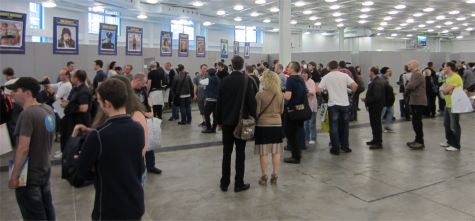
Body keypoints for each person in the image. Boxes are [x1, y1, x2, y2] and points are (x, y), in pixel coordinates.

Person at [71, 78, 145, 220]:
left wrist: (79, 157)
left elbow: (79, 175)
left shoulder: (98, 135)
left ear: (106, 103)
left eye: (99, 101)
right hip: (135, 203)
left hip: (109, 208)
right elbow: (136, 164)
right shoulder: (138, 128)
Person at [6, 77, 56, 220]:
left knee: (34, 214)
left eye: (16, 90)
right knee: (47, 209)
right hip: (44, 169)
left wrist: (14, 176)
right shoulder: (48, 110)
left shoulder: (27, 114)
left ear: (27, 93)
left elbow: (23, 148)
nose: (12, 94)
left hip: (29, 175)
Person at [216, 55, 256, 192]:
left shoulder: (224, 81)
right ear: (243, 65)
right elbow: (252, 102)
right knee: (240, 153)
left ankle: (224, 183)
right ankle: (239, 183)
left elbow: (219, 103)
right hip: (242, 123)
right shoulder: (246, 81)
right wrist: (254, 117)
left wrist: (218, 121)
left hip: (226, 123)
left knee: (226, 153)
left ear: (231, 65)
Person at [317, 60, 358, 155]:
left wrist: (324, 94)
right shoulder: (344, 75)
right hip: (345, 104)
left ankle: (335, 148)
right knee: (345, 126)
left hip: (333, 104)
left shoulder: (326, 77)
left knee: (334, 127)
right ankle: (345, 146)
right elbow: (355, 85)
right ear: (338, 67)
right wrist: (351, 94)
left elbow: (318, 89)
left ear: (328, 67)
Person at [254, 70, 284, 185]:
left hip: (263, 125)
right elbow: (281, 111)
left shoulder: (260, 94)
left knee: (264, 152)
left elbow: (257, 112)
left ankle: (264, 175)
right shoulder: (280, 94)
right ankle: (275, 174)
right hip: (277, 124)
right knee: (276, 151)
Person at [282, 61, 307, 163]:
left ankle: (296, 156)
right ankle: (297, 153)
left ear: (293, 69)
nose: (287, 68)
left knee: (290, 133)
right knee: (295, 132)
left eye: (289, 67)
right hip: (300, 109)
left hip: (291, 110)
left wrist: (280, 93)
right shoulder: (301, 79)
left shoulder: (290, 80)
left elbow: (288, 96)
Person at [61, 70, 91, 152]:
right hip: (71, 120)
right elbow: (69, 101)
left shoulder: (84, 91)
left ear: (77, 78)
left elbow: (84, 108)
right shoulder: (74, 89)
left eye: (72, 76)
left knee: (78, 144)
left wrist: (69, 105)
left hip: (80, 122)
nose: (70, 78)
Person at [440, 62, 464, 151]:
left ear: (449, 67)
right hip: (448, 104)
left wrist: (445, 89)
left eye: (444, 67)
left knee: (454, 125)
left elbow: (445, 90)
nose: (443, 68)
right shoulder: (448, 78)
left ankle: (456, 145)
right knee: (446, 124)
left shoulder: (455, 77)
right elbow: (443, 88)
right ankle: (449, 141)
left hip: (454, 105)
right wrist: (445, 89)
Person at [405, 60, 427, 150]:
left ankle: (420, 142)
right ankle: (417, 139)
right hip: (415, 101)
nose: (408, 65)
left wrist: (407, 85)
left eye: (409, 64)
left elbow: (410, 86)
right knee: (415, 122)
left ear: (414, 65)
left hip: (418, 101)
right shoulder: (415, 74)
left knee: (417, 122)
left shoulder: (417, 74)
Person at [363, 66, 386, 150]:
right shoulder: (376, 80)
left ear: (372, 72)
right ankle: (375, 139)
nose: (368, 72)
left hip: (376, 106)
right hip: (374, 106)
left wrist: (367, 100)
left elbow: (377, 96)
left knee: (376, 124)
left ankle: (378, 142)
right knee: (374, 124)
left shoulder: (377, 82)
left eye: (369, 71)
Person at [301, 69, 317, 145]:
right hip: (304, 106)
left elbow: (312, 93)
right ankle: (306, 137)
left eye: (305, 73)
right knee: (305, 123)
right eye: (302, 73)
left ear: (308, 74)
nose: (304, 75)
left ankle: (313, 138)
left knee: (312, 123)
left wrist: (304, 93)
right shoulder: (301, 82)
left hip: (312, 105)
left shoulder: (311, 82)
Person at [202, 68, 219, 133]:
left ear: (209, 73)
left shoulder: (208, 80)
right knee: (215, 115)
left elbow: (201, 83)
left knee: (206, 114)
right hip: (217, 100)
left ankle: (208, 128)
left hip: (209, 100)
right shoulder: (218, 79)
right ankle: (214, 128)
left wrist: (204, 78)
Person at [380, 67, 395, 132]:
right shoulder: (382, 80)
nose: (390, 72)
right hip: (384, 100)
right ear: (384, 72)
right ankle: (378, 127)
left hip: (389, 100)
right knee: (381, 114)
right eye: (388, 71)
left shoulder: (387, 79)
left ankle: (387, 126)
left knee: (390, 112)